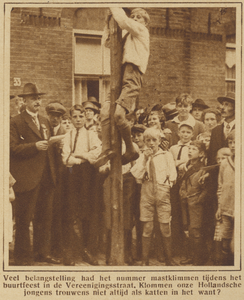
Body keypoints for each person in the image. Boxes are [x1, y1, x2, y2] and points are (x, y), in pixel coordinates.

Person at [10, 83, 59, 265]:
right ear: (24, 101)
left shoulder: (45, 121)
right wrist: (34, 146)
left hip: (46, 176)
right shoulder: (16, 121)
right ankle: (22, 257)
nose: (37, 102)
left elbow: (50, 147)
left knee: (44, 217)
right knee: (24, 218)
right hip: (28, 178)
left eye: (39, 98)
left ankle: (42, 253)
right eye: (33, 99)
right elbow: (12, 149)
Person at [95, 7, 150, 168]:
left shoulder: (141, 31)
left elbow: (123, 21)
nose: (135, 18)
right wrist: (106, 23)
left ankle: (131, 149)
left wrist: (113, 6)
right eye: (133, 16)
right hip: (119, 75)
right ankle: (106, 149)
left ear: (145, 22)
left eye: (139, 17)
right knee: (105, 112)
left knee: (119, 115)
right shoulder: (126, 35)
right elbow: (107, 43)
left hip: (133, 74)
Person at [131, 128, 177, 266]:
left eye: (154, 140)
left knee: (164, 226)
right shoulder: (142, 156)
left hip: (162, 191)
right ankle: (145, 260)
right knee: (147, 227)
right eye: (148, 140)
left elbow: (173, 174)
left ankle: (168, 259)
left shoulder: (166, 155)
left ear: (160, 141)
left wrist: (165, 185)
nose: (151, 143)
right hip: (147, 192)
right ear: (144, 141)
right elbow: (136, 174)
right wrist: (145, 159)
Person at [61, 104, 101, 266]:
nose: (78, 120)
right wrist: (80, 158)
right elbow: (66, 158)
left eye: (81, 116)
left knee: (87, 211)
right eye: (75, 117)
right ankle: (71, 252)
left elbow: (97, 151)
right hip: (71, 176)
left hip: (87, 176)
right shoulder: (67, 136)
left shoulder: (91, 135)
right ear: (70, 119)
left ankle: (87, 250)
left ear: (85, 118)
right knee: (71, 211)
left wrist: (79, 155)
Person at [179, 141, 208, 266]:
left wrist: (198, 200)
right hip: (185, 202)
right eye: (189, 149)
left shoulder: (203, 169)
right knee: (188, 230)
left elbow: (206, 189)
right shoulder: (186, 166)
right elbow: (182, 183)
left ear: (201, 153)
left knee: (196, 231)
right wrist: (182, 193)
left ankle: (198, 258)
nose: (190, 151)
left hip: (196, 204)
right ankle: (190, 256)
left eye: (194, 149)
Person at [45, 102, 67, 260]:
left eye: (58, 116)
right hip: (45, 179)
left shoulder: (65, 132)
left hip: (60, 180)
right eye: (52, 116)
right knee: (45, 215)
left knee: (58, 215)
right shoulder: (44, 129)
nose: (55, 119)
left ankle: (57, 249)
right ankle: (45, 249)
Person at [169, 123, 194, 257]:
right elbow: (170, 162)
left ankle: (186, 248)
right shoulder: (173, 148)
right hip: (175, 183)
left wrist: (179, 163)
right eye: (183, 132)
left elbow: (190, 164)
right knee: (175, 212)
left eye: (188, 132)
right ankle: (174, 246)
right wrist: (180, 163)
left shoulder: (192, 148)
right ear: (178, 133)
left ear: (192, 134)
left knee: (186, 213)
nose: (185, 135)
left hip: (187, 182)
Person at [215, 130, 235, 265]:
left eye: (236, 142)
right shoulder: (224, 163)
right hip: (226, 208)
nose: (233, 145)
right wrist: (219, 207)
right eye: (230, 142)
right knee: (225, 241)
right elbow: (220, 187)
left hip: (239, 208)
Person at [208, 92, 235, 165]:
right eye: (222, 104)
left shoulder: (240, 129)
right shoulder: (215, 130)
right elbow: (210, 157)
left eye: (227, 104)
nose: (222, 107)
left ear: (235, 107)